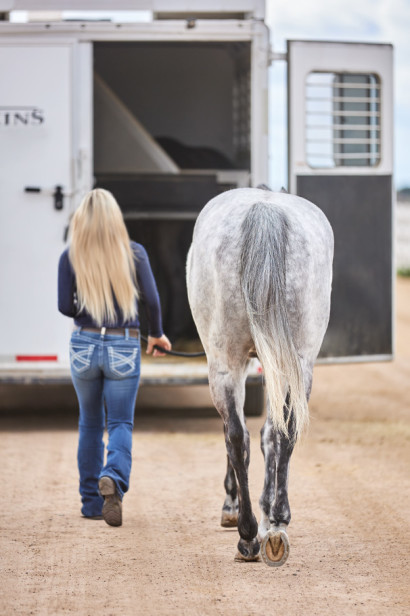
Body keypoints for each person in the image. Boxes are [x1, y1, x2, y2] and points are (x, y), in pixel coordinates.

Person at [58, 188, 171, 526]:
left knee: (89, 423)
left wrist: (86, 312)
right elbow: (151, 301)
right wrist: (156, 334)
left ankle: (92, 504)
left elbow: (65, 306)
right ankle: (113, 478)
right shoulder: (134, 253)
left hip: (84, 343)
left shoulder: (71, 255)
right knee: (120, 422)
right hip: (123, 344)